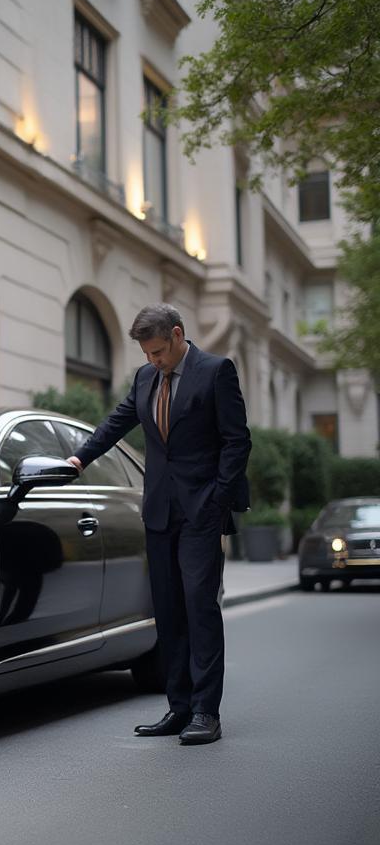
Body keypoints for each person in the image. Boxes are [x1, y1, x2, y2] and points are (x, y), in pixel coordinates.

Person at [68, 304, 251, 745]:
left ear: (177, 334)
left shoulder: (216, 371)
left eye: (158, 352)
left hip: (201, 513)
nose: (153, 361)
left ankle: (207, 712)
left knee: (199, 607)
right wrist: (80, 457)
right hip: (159, 511)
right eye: (147, 354)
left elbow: (237, 441)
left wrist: (216, 500)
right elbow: (118, 421)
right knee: (167, 611)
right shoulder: (145, 378)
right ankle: (179, 706)